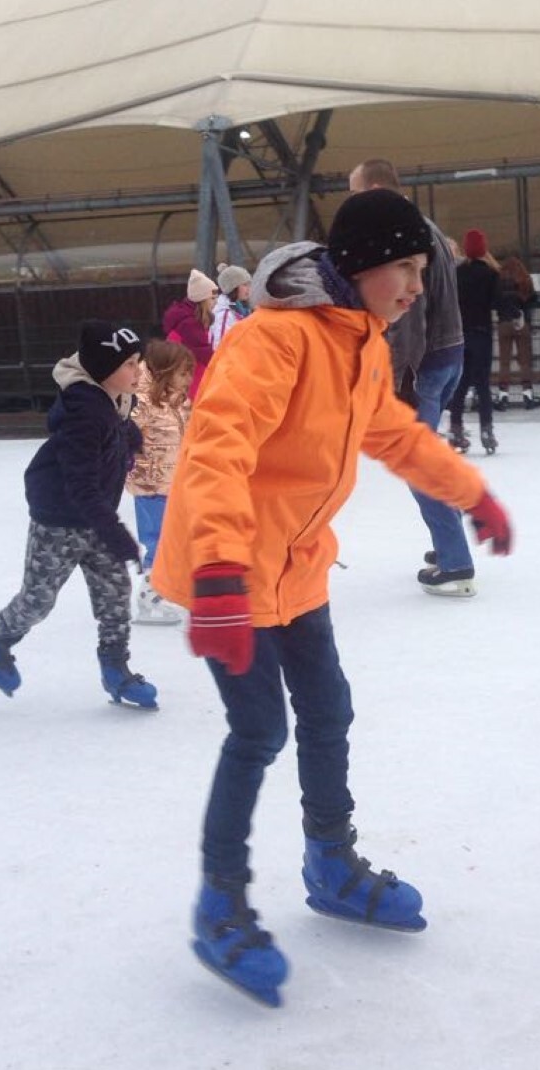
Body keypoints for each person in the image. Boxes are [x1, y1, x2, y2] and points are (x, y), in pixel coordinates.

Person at [151, 188, 513, 1007]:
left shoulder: (360, 344)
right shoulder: (273, 340)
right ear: (360, 264)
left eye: (423, 269)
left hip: (297, 566)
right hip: (231, 569)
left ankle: (330, 862)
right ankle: (220, 902)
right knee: (258, 731)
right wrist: (218, 575)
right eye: (406, 268)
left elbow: (394, 435)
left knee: (328, 711)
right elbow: (215, 453)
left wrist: (471, 494)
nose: (417, 286)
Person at [0, 320, 159, 709]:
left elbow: (113, 431)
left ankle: (115, 669)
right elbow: (80, 486)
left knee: (114, 594)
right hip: (59, 519)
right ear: (104, 369)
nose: (138, 371)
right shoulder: (84, 413)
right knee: (38, 599)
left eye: (138, 361)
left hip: (96, 515)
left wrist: (128, 437)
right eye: (129, 364)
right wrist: (118, 534)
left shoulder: (116, 400)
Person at [348, 158, 476, 599]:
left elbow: (409, 316)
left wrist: (397, 378)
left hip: (423, 365)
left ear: (375, 190)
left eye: (355, 192)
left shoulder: (400, 235)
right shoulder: (426, 227)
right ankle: (448, 542)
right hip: (447, 354)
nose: (352, 203)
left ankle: (456, 564)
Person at [126, 338, 195, 625]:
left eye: (190, 372)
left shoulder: (178, 400)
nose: (189, 379)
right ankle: (149, 597)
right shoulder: (140, 401)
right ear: (164, 371)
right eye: (183, 373)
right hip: (151, 486)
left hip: (177, 482)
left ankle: (173, 590)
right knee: (160, 541)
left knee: (180, 540)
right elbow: (123, 436)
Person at [448, 229, 521, 454]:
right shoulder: (490, 274)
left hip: (460, 335)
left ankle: (456, 429)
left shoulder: (456, 274)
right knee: (482, 385)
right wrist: (515, 315)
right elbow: (500, 303)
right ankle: (486, 430)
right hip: (482, 334)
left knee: (460, 384)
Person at [494, 254, 540, 410]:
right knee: (525, 362)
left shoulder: (498, 281)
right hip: (522, 323)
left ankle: (503, 396)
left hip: (504, 323)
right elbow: (533, 298)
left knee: (504, 362)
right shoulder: (525, 280)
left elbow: (494, 301)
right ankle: (527, 395)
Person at [163, 268, 217, 398]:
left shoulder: (187, 319)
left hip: (184, 378)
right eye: (212, 298)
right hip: (190, 383)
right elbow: (207, 356)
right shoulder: (189, 325)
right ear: (203, 300)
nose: (215, 302)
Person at [208, 264, 253, 349]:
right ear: (233, 287)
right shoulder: (224, 314)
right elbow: (220, 346)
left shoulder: (241, 310)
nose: (248, 288)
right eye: (244, 285)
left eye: (249, 284)